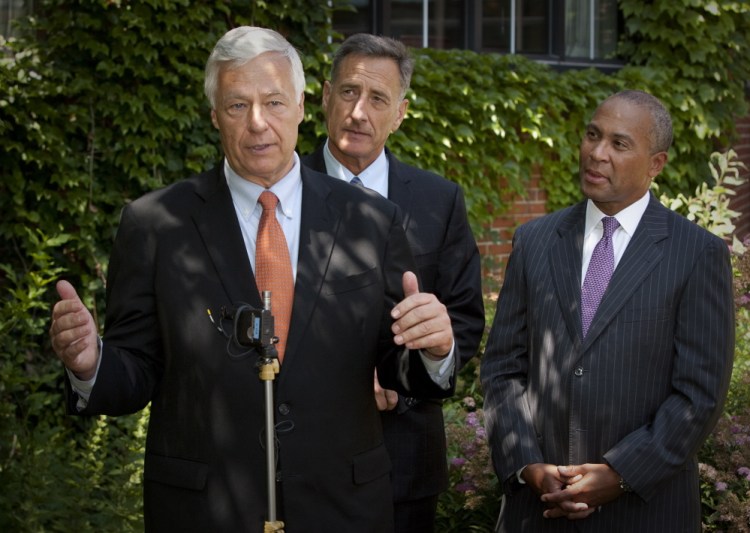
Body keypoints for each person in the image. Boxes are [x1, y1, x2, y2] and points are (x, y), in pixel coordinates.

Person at [49, 26, 459, 533]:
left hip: (343, 509)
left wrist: (433, 352)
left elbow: (399, 365)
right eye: (238, 105)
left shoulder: (371, 220)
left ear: (304, 105)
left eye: (274, 102)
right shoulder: (154, 224)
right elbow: (136, 372)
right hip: (203, 512)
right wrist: (91, 364)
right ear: (215, 115)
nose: (258, 124)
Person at [480, 89, 735, 532]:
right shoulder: (534, 242)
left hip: (645, 513)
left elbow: (699, 394)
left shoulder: (697, 254)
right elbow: (503, 368)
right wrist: (529, 467)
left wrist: (620, 475)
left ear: (656, 164)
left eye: (619, 144)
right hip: (536, 513)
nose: (597, 154)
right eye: (592, 136)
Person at [302, 33, 485, 533]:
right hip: (297, 458)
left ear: (400, 113)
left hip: (402, 460)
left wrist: (406, 374)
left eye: (378, 99)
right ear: (324, 96)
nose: (359, 112)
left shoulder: (438, 200)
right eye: (348, 93)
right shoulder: (279, 191)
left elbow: (464, 320)